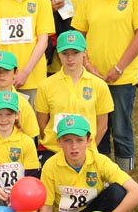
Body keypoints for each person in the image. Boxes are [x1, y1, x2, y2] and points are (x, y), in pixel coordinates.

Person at [71, 0, 138, 172]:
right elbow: (79, 34)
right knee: (97, 127)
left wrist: (118, 68)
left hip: (122, 77)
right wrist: (87, 64)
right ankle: (102, 173)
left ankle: (124, 177)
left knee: (120, 127)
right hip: (92, 76)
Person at [38, 114, 138, 212]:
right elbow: (47, 206)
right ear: (59, 142)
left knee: (117, 191)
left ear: (89, 141)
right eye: (67, 140)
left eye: (79, 140)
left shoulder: (100, 161)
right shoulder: (50, 166)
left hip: (95, 209)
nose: (74, 147)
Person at [35, 31, 113, 165]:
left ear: (84, 53)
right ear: (58, 54)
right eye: (65, 54)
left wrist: (86, 147)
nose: (70, 58)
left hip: (86, 151)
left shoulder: (99, 85)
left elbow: (102, 126)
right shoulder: (46, 85)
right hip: (54, 150)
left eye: (75, 53)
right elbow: (42, 123)